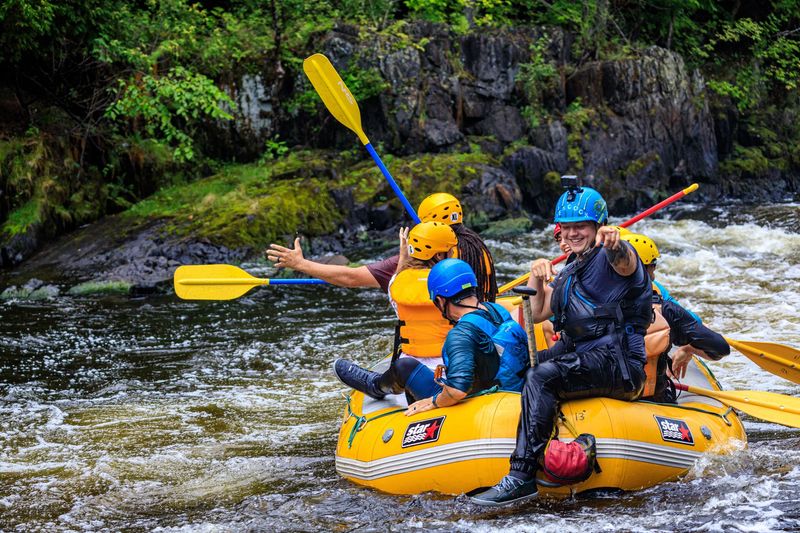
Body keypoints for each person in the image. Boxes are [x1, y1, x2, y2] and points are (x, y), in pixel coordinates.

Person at [471, 185, 652, 506]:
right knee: (522, 365)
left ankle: (521, 476)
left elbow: (624, 261)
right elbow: (540, 311)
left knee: (542, 376)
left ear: (598, 226)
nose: (572, 234)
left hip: (618, 363)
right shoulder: (570, 268)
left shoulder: (616, 258)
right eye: (566, 228)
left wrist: (614, 243)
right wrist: (538, 276)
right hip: (581, 354)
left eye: (580, 227)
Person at [332, 258, 527, 415]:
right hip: (510, 390)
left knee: (404, 366)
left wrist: (434, 401)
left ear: (441, 300)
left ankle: (376, 386)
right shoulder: (497, 310)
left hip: (478, 401)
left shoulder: (460, 335)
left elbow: (457, 390)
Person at [265, 193, 498, 301]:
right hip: (483, 328)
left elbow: (351, 278)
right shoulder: (476, 245)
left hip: (441, 346)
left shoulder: (414, 261)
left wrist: (301, 264)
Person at [620, 233, 729, 401]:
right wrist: (690, 347)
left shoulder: (584, 300)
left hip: (599, 398)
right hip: (651, 399)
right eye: (653, 266)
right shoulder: (664, 308)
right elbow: (720, 348)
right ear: (646, 270)